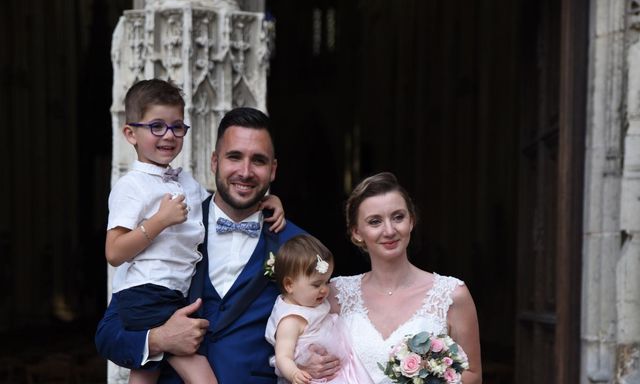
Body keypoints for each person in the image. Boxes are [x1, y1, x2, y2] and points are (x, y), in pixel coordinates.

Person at [96, 105, 311, 383]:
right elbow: (108, 334)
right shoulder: (169, 229)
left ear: (273, 170)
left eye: (258, 161)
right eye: (234, 157)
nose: (245, 172)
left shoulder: (297, 246)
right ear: (214, 162)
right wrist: (159, 339)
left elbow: (318, 328)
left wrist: (312, 356)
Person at [329, 172, 482, 384]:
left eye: (398, 217)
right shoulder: (335, 294)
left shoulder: (452, 294)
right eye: (375, 222)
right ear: (357, 233)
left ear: (411, 221)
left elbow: (473, 375)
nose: (389, 230)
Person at [265, 235, 373, 384]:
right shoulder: (291, 320)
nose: (324, 290)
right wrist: (294, 373)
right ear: (289, 285)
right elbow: (283, 356)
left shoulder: (308, 303)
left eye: (326, 282)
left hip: (338, 368)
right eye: (316, 285)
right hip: (313, 379)